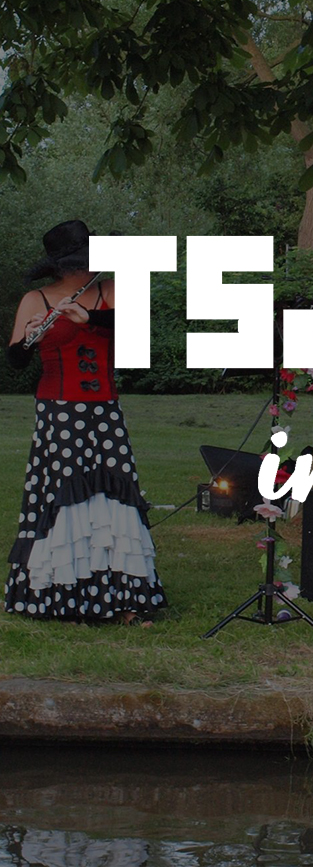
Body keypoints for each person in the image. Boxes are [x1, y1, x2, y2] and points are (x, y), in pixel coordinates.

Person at [4, 220, 166, 624]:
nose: (89, 267)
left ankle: (125, 598)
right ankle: (62, 596)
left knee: (115, 495)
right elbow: (15, 360)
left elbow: (138, 331)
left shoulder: (110, 290)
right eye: (81, 262)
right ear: (63, 266)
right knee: (64, 494)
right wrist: (29, 338)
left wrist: (88, 319)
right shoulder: (36, 298)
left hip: (104, 407)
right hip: (58, 409)